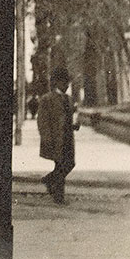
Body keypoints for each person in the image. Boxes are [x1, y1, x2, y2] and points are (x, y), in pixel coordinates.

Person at [38, 67, 78, 204]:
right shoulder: (47, 99)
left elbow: (68, 118)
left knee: (70, 164)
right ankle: (59, 197)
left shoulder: (69, 99)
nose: (67, 85)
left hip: (67, 137)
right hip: (56, 139)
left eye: (68, 83)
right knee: (60, 166)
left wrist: (74, 126)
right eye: (64, 83)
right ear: (57, 83)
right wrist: (46, 138)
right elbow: (42, 121)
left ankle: (49, 180)